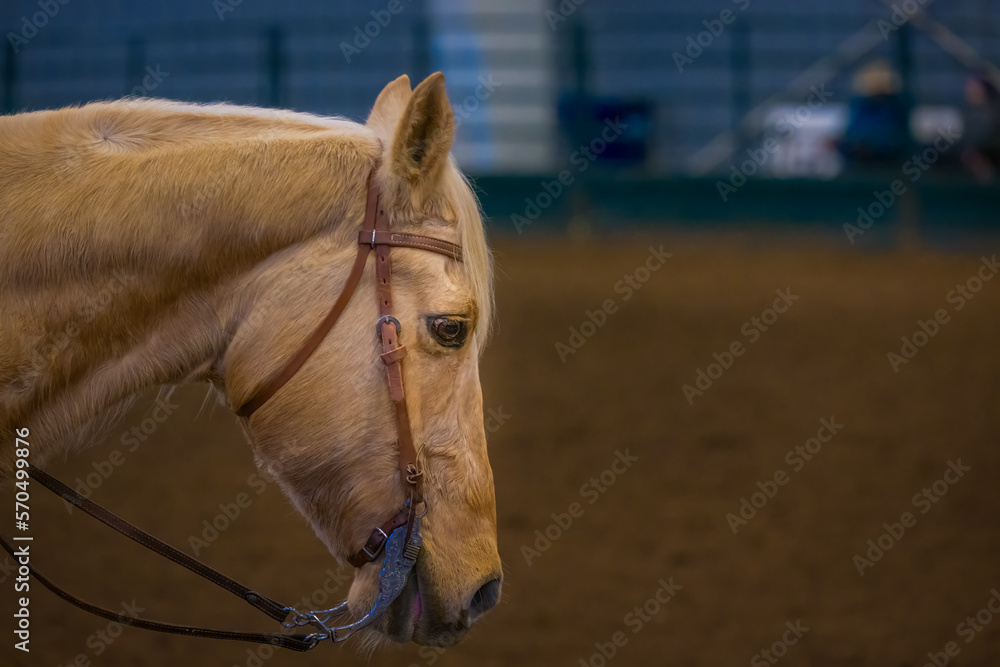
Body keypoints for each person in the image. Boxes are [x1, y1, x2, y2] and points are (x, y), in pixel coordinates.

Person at [837, 60, 910, 167]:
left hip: (887, 162)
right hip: (859, 163)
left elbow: (893, 139)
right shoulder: (860, 104)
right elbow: (852, 132)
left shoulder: (895, 106)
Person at [960, 73, 1000, 182]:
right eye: (969, 87)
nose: (969, 91)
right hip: (974, 155)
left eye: (975, 88)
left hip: (992, 155)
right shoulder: (967, 113)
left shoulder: (993, 114)